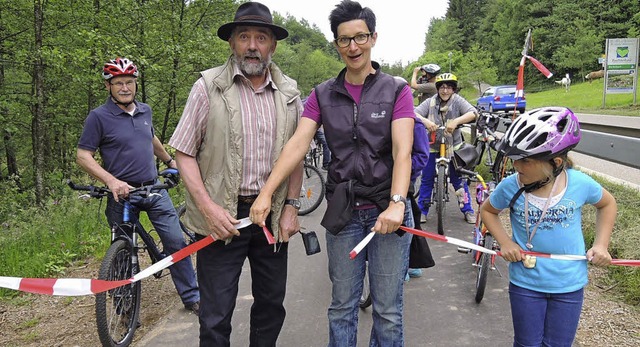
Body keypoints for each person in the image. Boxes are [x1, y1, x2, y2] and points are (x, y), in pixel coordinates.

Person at [250, 1, 415, 345]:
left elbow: (403, 152)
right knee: (341, 306)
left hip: (388, 209)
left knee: (388, 310)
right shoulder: (322, 95)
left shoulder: (397, 90)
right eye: (344, 40)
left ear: (373, 38)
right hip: (344, 214)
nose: (353, 47)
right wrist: (267, 193)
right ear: (336, 44)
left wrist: (398, 202)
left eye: (360, 37)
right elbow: (297, 145)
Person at [168, 2, 303, 346]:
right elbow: (183, 152)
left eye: (261, 37)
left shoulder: (289, 93)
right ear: (232, 43)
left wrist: (290, 206)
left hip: (270, 217)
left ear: (273, 45)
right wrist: (209, 210)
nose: (253, 45)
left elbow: (296, 154)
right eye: (244, 36)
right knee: (215, 314)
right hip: (222, 220)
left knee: (271, 306)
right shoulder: (207, 87)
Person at [480, 107, 617, 347]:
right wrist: (505, 242)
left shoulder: (579, 184)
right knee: (527, 344)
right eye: (514, 159)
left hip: (569, 286)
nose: (516, 166)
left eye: (525, 161)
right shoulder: (511, 186)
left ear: (555, 162)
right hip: (526, 284)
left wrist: (601, 244)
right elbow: (488, 210)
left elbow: (607, 204)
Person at [76, 57, 200, 316]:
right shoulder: (98, 117)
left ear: (135, 84)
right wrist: (110, 180)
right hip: (122, 195)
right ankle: (123, 306)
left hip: (153, 189)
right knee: (121, 249)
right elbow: (83, 156)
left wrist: (168, 160)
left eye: (129, 82)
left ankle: (192, 296)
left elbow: (150, 137)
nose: (125, 88)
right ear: (108, 86)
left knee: (176, 241)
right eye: (118, 83)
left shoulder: (145, 110)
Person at [415, 72, 477, 224]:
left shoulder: (457, 101)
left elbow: (473, 113)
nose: (445, 91)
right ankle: (422, 210)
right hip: (432, 146)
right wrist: (425, 122)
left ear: (453, 89)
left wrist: (456, 121)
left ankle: (467, 209)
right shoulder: (430, 102)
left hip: (453, 147)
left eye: (449, 87)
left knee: (459, 180)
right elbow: (413, 112)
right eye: (442, 87)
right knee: (426, 179)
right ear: (437, 89)